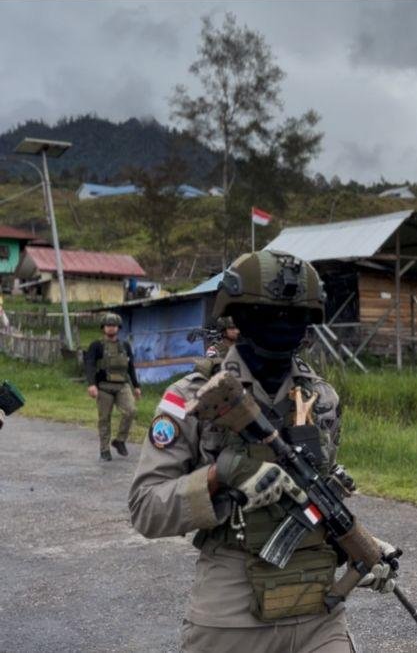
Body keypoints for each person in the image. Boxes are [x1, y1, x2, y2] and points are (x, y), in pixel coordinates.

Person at [128, 250, 393, 652]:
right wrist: (220, 476)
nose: (282, 326)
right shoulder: (191, 398)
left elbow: (315, 498)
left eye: (295, 316)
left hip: (318, 610)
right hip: (232, 612)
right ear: (238, 316)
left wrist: (364, 548)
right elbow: (146, 509)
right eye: (267, 314)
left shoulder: (321, 399)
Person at [84, 312, 141, 461]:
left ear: (118, 328)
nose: (111, 328)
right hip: (104, 386)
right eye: (108, 325)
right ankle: (104, 449)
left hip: (122, 386)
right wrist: (91, 384)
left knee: (131, 411)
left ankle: (120, 440)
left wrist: (136, 386)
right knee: (104, 418)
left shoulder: (125, 346)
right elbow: (89, 364)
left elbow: (131, 366)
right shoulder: (96, 346)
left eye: (114, 325)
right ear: (103, 327)